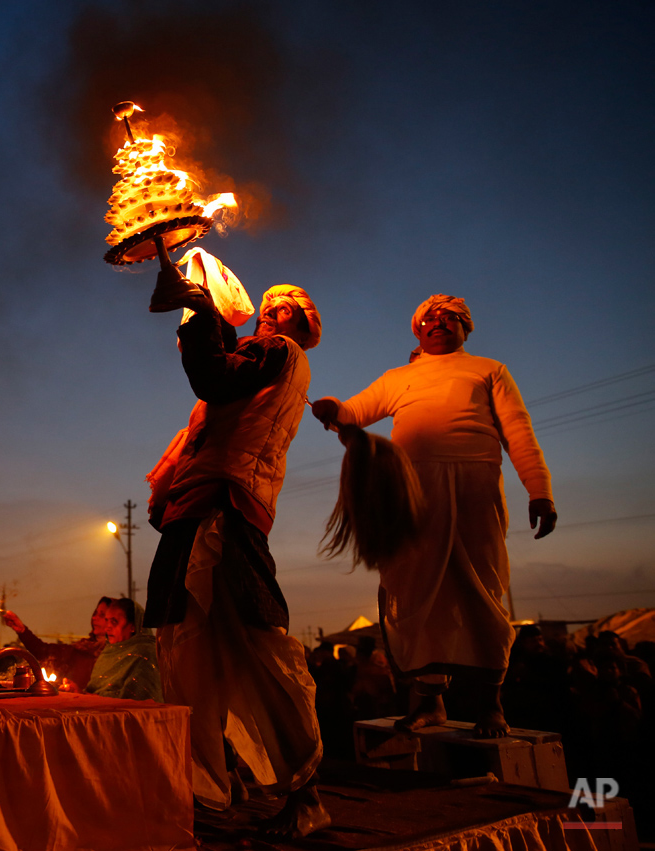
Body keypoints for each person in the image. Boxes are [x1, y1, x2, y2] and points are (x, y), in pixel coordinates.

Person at [143, 241, 329, 836]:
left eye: (288, 305)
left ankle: (306, 793)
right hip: (197, 509)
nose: (273, 308)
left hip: (225, 507)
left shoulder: (280, 353)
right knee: (186, 652)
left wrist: (198, 310)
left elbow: (213, 376)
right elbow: (209, 386)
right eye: (269, 304)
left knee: (259, 646)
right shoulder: (256, 357)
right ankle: (203, 790)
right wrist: (197, 309)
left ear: (303, 325)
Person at [312, 294, 556, 738]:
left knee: (482, 586)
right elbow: (355, 412)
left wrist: (539, 491)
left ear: (466, 328)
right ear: (417, 330)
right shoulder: (399, 378)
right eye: (431, 318)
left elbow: (519, 432)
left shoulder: (489, 370)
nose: (439, 322)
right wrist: (333, 410)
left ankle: (491, 705)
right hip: (412, 493)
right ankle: (429, 702)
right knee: (413, 589)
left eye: (450, 318)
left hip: (475, 485)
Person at [2, 597, 111, 691]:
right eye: (95, 613)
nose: (94, 618)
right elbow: (43, 651)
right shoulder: (80, 649)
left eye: (101, 615)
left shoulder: (114, 655)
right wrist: (22, 630)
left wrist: (81, 692)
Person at [78, 598, 162, 702]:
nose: (107, 628)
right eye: (106, 621)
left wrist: (91, 696)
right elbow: (93, 691)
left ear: (133, 626)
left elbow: (136, 698)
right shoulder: (108, 652)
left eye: (114, 622)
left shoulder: (145, 653)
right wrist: (79, 692)